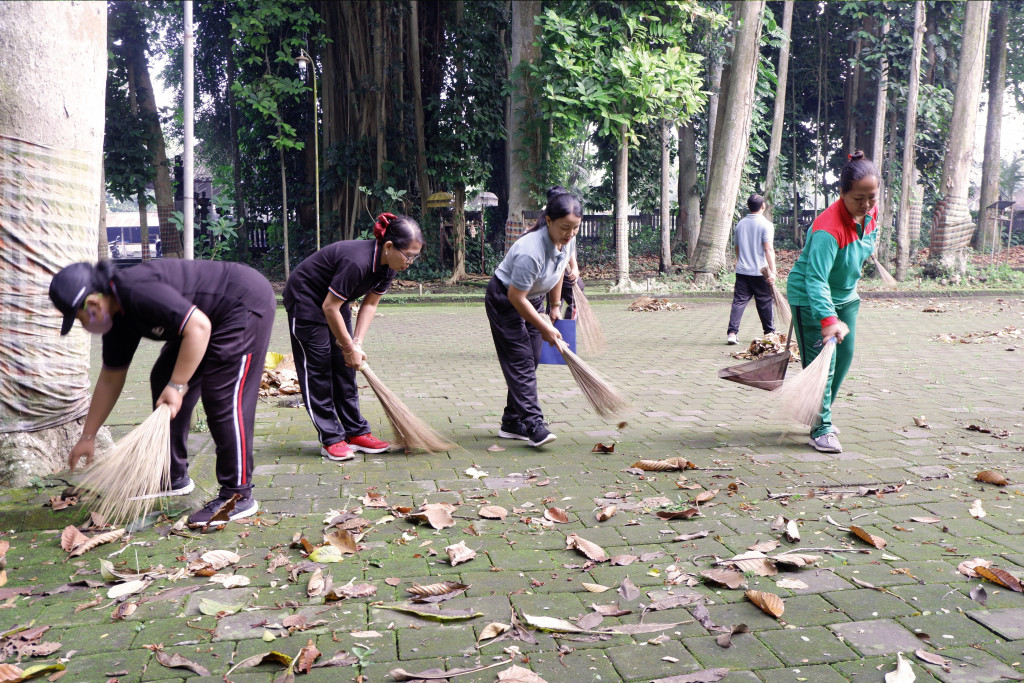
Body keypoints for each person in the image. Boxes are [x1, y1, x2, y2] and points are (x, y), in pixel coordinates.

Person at [49, 259, 275, 526]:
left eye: (79, 318)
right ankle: (172, 476)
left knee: (222, 397)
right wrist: (88, 435)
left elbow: (198, 328)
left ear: (94, 304)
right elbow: (111, 377)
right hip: (207, 320)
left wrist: (177, 386)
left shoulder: (135, 291)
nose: (83, 325)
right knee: (163, 377)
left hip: (242, 305)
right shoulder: (117, 318)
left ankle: (238, 495)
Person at [283, 213, 423, 461]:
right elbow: (329, 307)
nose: (410, 261)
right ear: (389, 246)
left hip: (336, 303)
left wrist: (355, 343)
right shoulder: (357, 262)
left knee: (345, 368)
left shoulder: (389, 266)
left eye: (415, 256)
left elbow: (369, 305)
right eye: (408, 255)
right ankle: (331, 438)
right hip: (306, 300)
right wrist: (347, 345)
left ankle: (355, 432)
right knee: (318, 369)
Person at [786, 150, 880, 453]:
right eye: (858, 198)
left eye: (872, 197)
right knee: (822, 365)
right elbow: (815, 278)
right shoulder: (827, 229)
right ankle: (821, 426)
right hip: (811, 297)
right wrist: (828, 320)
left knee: (844, 358)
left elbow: (861, 244)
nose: (866, 205)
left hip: (846, 296)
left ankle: (817, 413)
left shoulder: (870, 215)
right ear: (842, 194)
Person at [487, 187, 582, 447]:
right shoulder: (530, 251)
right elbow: (516, 297)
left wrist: (553, 306)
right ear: (549, 221)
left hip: (534, 299)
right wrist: (545, 327)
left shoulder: (567, 239)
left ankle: (511, 421)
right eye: (565, 227)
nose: (570, 234)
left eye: (575, 228)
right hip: (505, 300)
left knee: (533, 357)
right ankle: (533, 424)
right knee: (521, 362)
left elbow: (559, 269)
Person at [727, 193, 776, 345]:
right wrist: (773, 271)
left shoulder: (740, 224)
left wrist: (742, 260)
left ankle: (732, 333)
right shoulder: (766, 224)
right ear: (763, 206)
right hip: (760, 272)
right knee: (765, 301)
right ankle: (769, 333)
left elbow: (737, 247)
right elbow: (768, 249)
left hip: (742, 271)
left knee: (739, 302)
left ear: (748, 207)